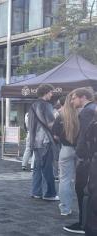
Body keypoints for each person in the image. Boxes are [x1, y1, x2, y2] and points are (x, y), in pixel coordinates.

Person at [63, 87, 97, 234]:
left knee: (83, 190)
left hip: (88, 160)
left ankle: (85, 224)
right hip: (90, 158)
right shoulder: (92, 109)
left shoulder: (88, 111)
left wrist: (80, 155)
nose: (71, 101)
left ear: (83, 97)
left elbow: (85, 137)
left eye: (74, 97)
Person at [28, 84, 59, 201]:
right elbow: (51, 124)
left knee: (37, 167)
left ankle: (36, 192)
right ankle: (49, 194)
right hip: (45, 141)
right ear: (46, 92)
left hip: (34, 141)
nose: (52, 94)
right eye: (51, 92)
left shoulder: (32, 105)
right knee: (47, 167)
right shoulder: (46, 105)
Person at [52, 93, 79, 216]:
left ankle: (65, 209)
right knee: (84, 180)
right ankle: (84, 208)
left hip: (66, 149)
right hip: (82, 150)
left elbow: (55, 135)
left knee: (65, 180)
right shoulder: (81, 114)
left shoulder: (61, 116)